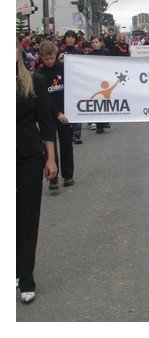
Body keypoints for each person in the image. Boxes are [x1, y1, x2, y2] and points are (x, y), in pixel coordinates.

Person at [17, 38, 58, 303]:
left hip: (28, 157)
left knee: (27, 217)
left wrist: (51, 158)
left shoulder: (34, 81)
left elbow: (45, 122)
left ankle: (26, 277)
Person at [36, 41, 75, 189]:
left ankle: (68, 174)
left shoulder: (63, 68)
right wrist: (56, 113)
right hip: (48, 114)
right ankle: (53, 175)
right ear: (41, 57)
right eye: (46, 59)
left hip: (65, 111)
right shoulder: (39, 75)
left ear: (56, 55)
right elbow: (44, 98)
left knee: (66, 143)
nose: (50, 61)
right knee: (49, 145)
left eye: (52, 58)